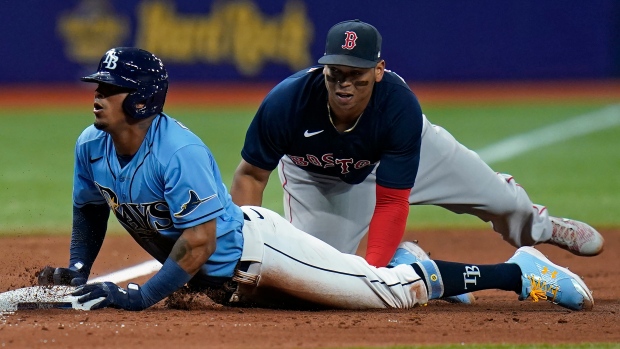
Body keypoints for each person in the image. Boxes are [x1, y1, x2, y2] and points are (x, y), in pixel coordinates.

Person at [38, 47, 593, 312]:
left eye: (109, 87)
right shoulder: (92, 147)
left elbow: (198, 242)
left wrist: (144, 297)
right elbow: (91, 208)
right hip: (232, 285)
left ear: (140, 98)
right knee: (344, 287)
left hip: (261, 253)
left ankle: (518, 271)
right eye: (99, 84)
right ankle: (402, 261)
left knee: (387, 295)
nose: (97, 94)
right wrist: (79, 269)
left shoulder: (175, 151)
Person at [230, 19, 604, 271]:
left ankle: (543, 227)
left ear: (378, 70)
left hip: (406, 154)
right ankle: (407, 260)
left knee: (502, 201)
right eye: (336, 73)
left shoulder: (398, 105)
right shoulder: (287, 102)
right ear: (323, 68)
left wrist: (373, 277)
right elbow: (250, 175)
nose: (344, 84)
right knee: (319, 272)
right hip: (320, 180)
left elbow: (392, 202)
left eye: (356, 75)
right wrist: (244, 250)